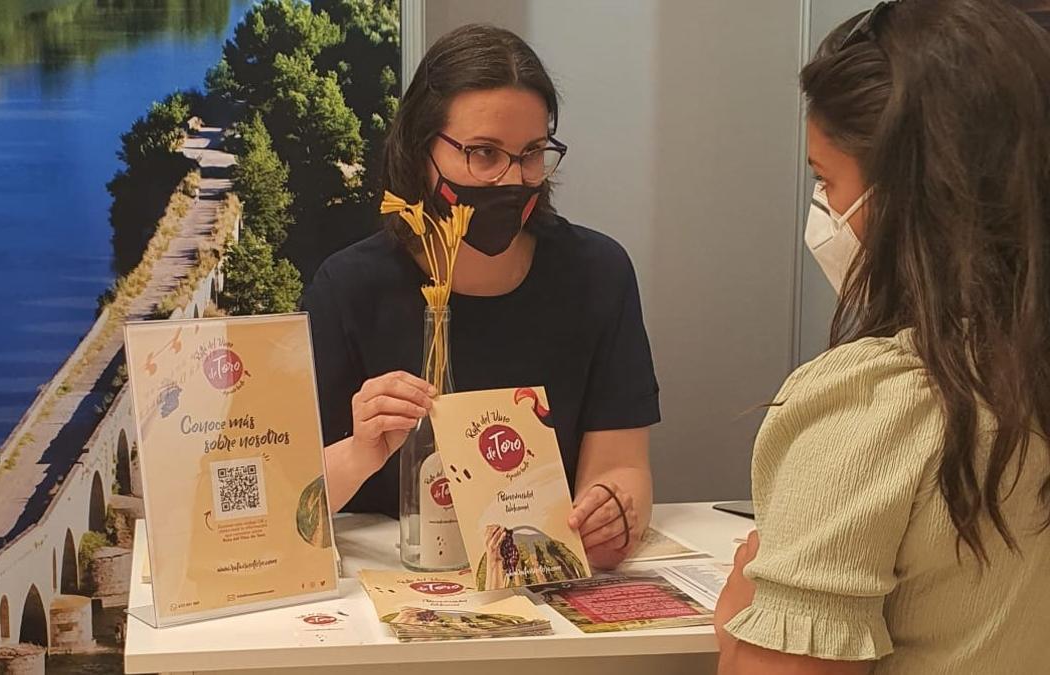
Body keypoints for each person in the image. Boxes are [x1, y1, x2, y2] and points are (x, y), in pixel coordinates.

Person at [714, 1, 1050, 673]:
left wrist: (734, 620)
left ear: (910, 197)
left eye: (826, 180)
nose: (824, 211)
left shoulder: (875, 405)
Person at [302, 24, 660, 569]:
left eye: (533, 153)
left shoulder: (597, 274)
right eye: (483, 154)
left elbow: (622, 465)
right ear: (422, 151)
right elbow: (292, 504)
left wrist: (610, 509)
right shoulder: (349, 287)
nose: (510, 179)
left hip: (537, 579)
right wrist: (360, 451)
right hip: (387, 590)